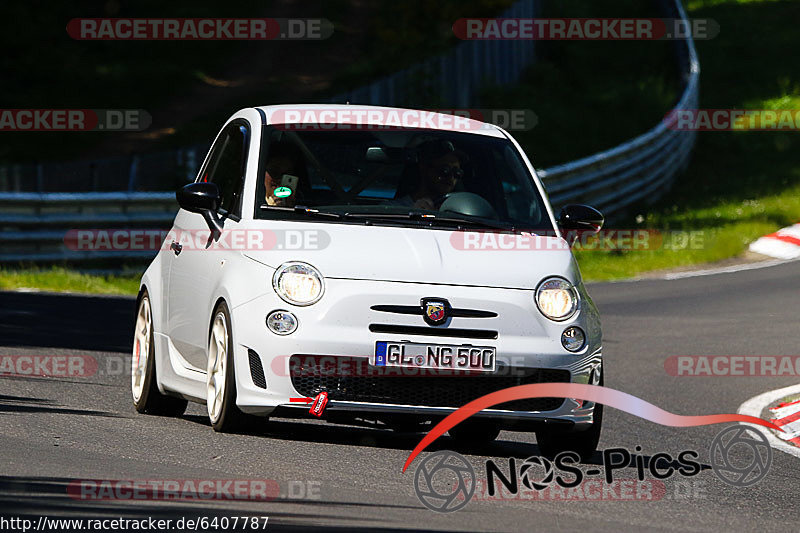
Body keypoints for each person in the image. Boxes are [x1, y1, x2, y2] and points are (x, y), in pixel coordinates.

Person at [394, 139, 465, 210]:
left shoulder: (459, 211)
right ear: (424, 168)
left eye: (457, 173)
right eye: (444, 170)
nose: (451, 177)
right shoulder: (394, 210)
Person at [263, 141, 307, 208]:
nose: (280, 179)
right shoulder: (249, 201)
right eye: (274, 172)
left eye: (287, 174)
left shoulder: (303, 202)